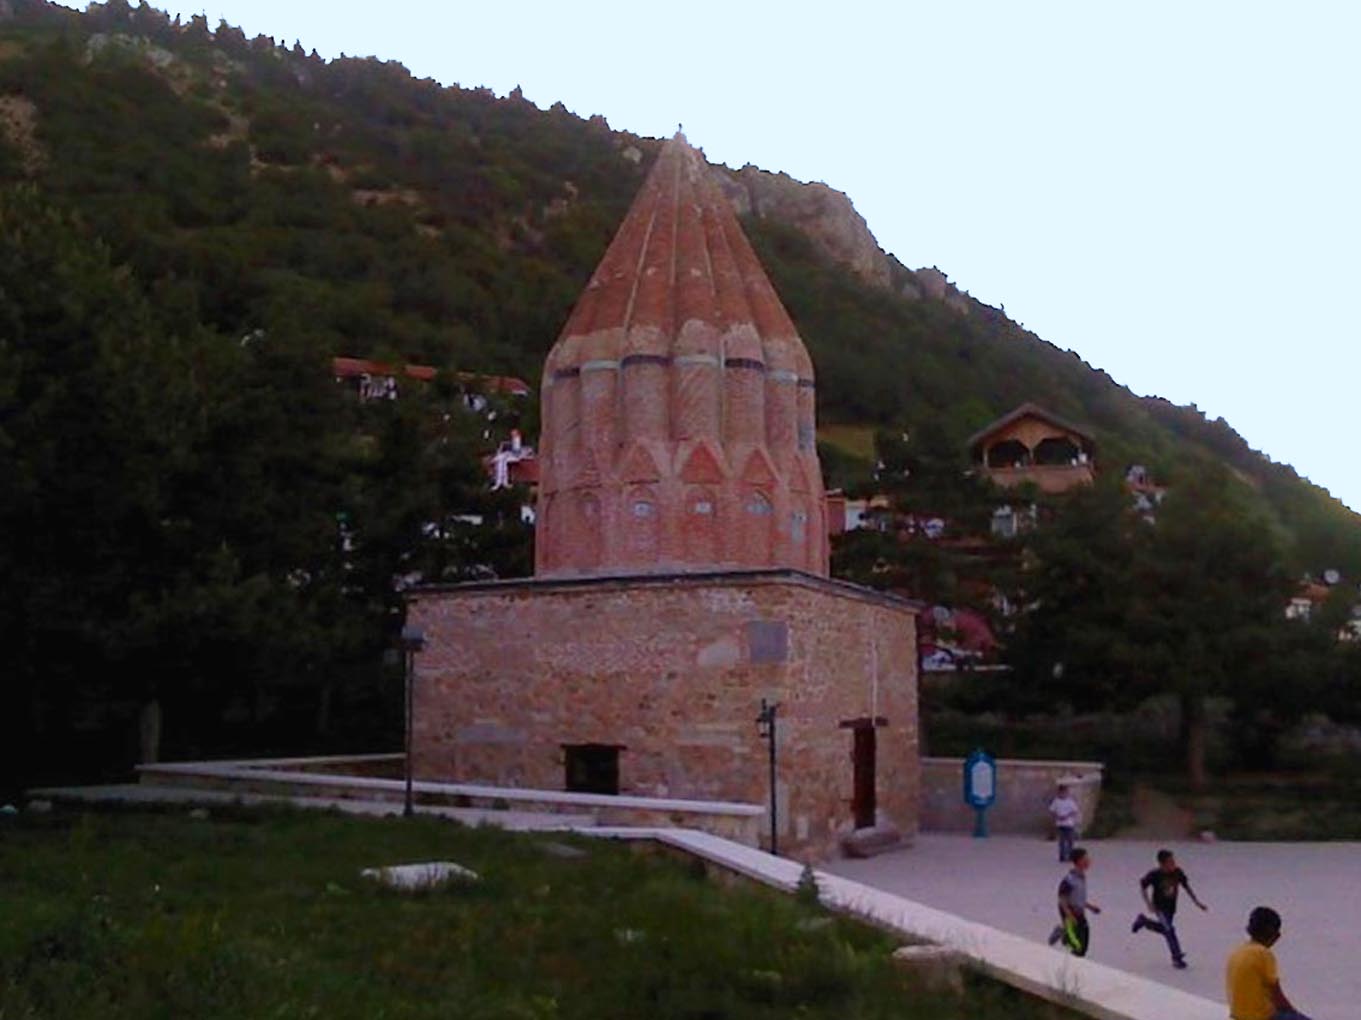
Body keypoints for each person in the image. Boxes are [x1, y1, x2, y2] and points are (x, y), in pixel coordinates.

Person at [1225, 906, 1313, 1020]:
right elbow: (1277, 995)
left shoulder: (1237, 952)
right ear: (1273, 934)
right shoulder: (1263, 954)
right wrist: (1294, 1013)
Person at [1132, 848, 1208, 969]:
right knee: (1170, 931)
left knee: (1165, 929)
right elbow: (1143, 887)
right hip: (1159, 907)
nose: (1173, 864)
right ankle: (1177, 957)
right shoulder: (1154, 875)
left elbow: (1187, 887)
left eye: (1173, 861)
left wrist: (1197, 902)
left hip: (1171, 907)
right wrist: (1149, 904)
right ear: (1162, 864)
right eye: (1170, 862)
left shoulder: (1178, 872)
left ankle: (1144, 921)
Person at [1047, 846, 1101, 956]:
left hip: (1079, 912)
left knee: (1084, 939)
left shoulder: (1082, 877)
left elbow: (1078, 898)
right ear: (1079, 861)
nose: (1089, 861)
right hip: (1070, 913)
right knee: (1077, 945)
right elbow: (1062, 898)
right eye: (1085, 859)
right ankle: (1063, 933)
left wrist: (1091, 907)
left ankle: (1065, 935)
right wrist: (1068, 914)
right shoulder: (1069, 879)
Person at [1047, 782, 1080, 862]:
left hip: (1069, 824)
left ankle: (1070, 856)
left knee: (1070, 841)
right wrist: (1057, 816)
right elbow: (1052, 811)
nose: (1063, 794)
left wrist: (1067, 816)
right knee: (1062, 841)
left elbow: (1075, 811)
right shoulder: (1056, 801)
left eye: (1065, 792)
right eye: (1061, 793)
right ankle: (1062, 856)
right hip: (1060, 824)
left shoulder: (1070, 801)